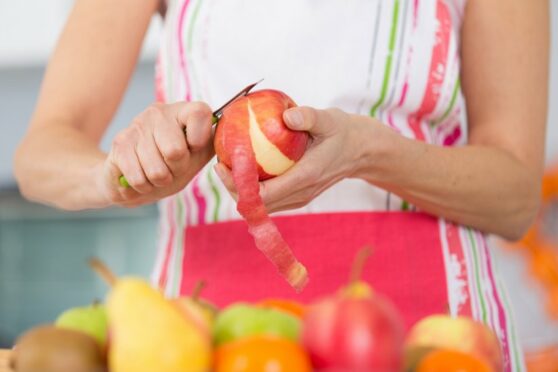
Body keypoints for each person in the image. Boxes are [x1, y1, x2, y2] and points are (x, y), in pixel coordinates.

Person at [14, 0, 549, 370]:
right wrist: (114, 175)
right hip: (206, 345)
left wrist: (372, 153)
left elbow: (516, 199)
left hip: (429, 342)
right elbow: (42, 153)